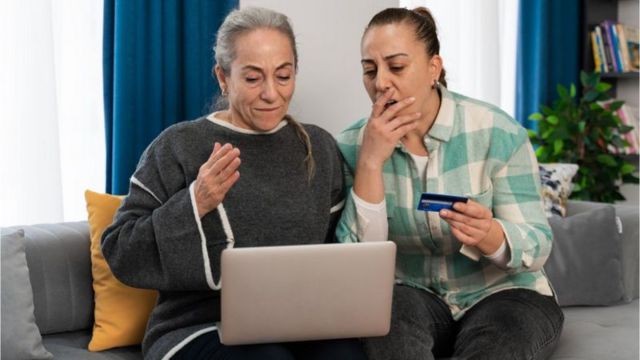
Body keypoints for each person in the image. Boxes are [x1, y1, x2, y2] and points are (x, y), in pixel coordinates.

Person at [102, 7, 367, 360]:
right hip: (195, 326)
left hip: (299, 323)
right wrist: (194, 201)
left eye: (283, 76)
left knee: (347, 355)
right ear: (223, 78)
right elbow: (120, 251)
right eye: (253, 78)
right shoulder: (178, 146)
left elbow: (342, 253)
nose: (271, 93)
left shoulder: (317, 147)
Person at [336, 7, 564, 360]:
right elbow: (355, 266)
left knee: (497, 346)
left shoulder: (496, 132)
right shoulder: (352, 144)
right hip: (411, 294)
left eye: (396, 67)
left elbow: (538, 243)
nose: (380, 82)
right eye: (370, 70)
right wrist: (370, 163)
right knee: (386, 326)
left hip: (502, 292)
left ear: (433, 69)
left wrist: (491, 236)